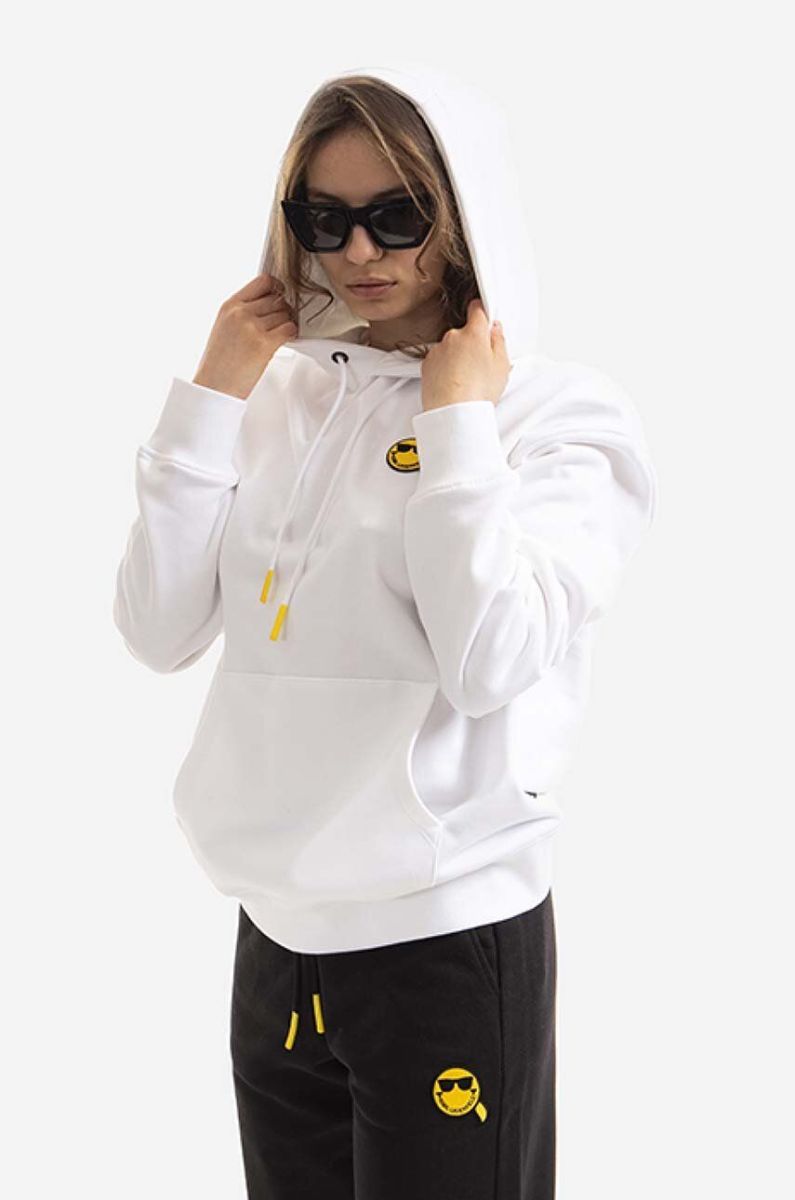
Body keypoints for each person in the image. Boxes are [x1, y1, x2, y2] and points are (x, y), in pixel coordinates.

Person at [113, 63, 658, 1200]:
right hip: (275, 934)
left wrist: (457, 425)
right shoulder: (274, 397)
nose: (358, 253)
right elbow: (159, 631)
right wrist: (210, 396)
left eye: (395, 217)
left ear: (458, 213)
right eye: (325, 221)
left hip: (441, 934)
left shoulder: (558, 417)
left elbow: (492, 659)